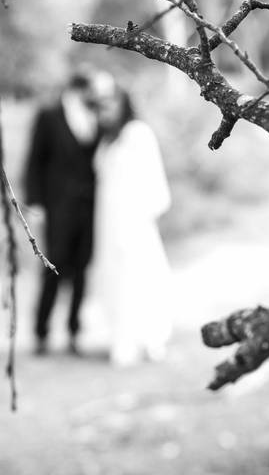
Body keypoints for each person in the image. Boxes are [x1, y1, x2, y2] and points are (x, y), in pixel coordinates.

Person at [90, 81, 173, 366]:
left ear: (124, 104)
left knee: (139, 276)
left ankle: (148, 339)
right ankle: (121, 337)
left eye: (112, 104)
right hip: (107, 220)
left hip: (133, 219)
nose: (106, 111)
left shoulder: (138, 133)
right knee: (112, 277)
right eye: (101, 106)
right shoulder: (105, 139)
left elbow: (153, 177)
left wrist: (141, 218)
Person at [24, 68, 102, 356]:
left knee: (82, 269)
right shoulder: (48, 115)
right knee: (52, 268)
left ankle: (74, 332)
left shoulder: (96, 115)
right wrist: (35, 202)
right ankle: (41, 333)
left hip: (89, 207)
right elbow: (34, 160)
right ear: (76, 89)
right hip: (58, 207)